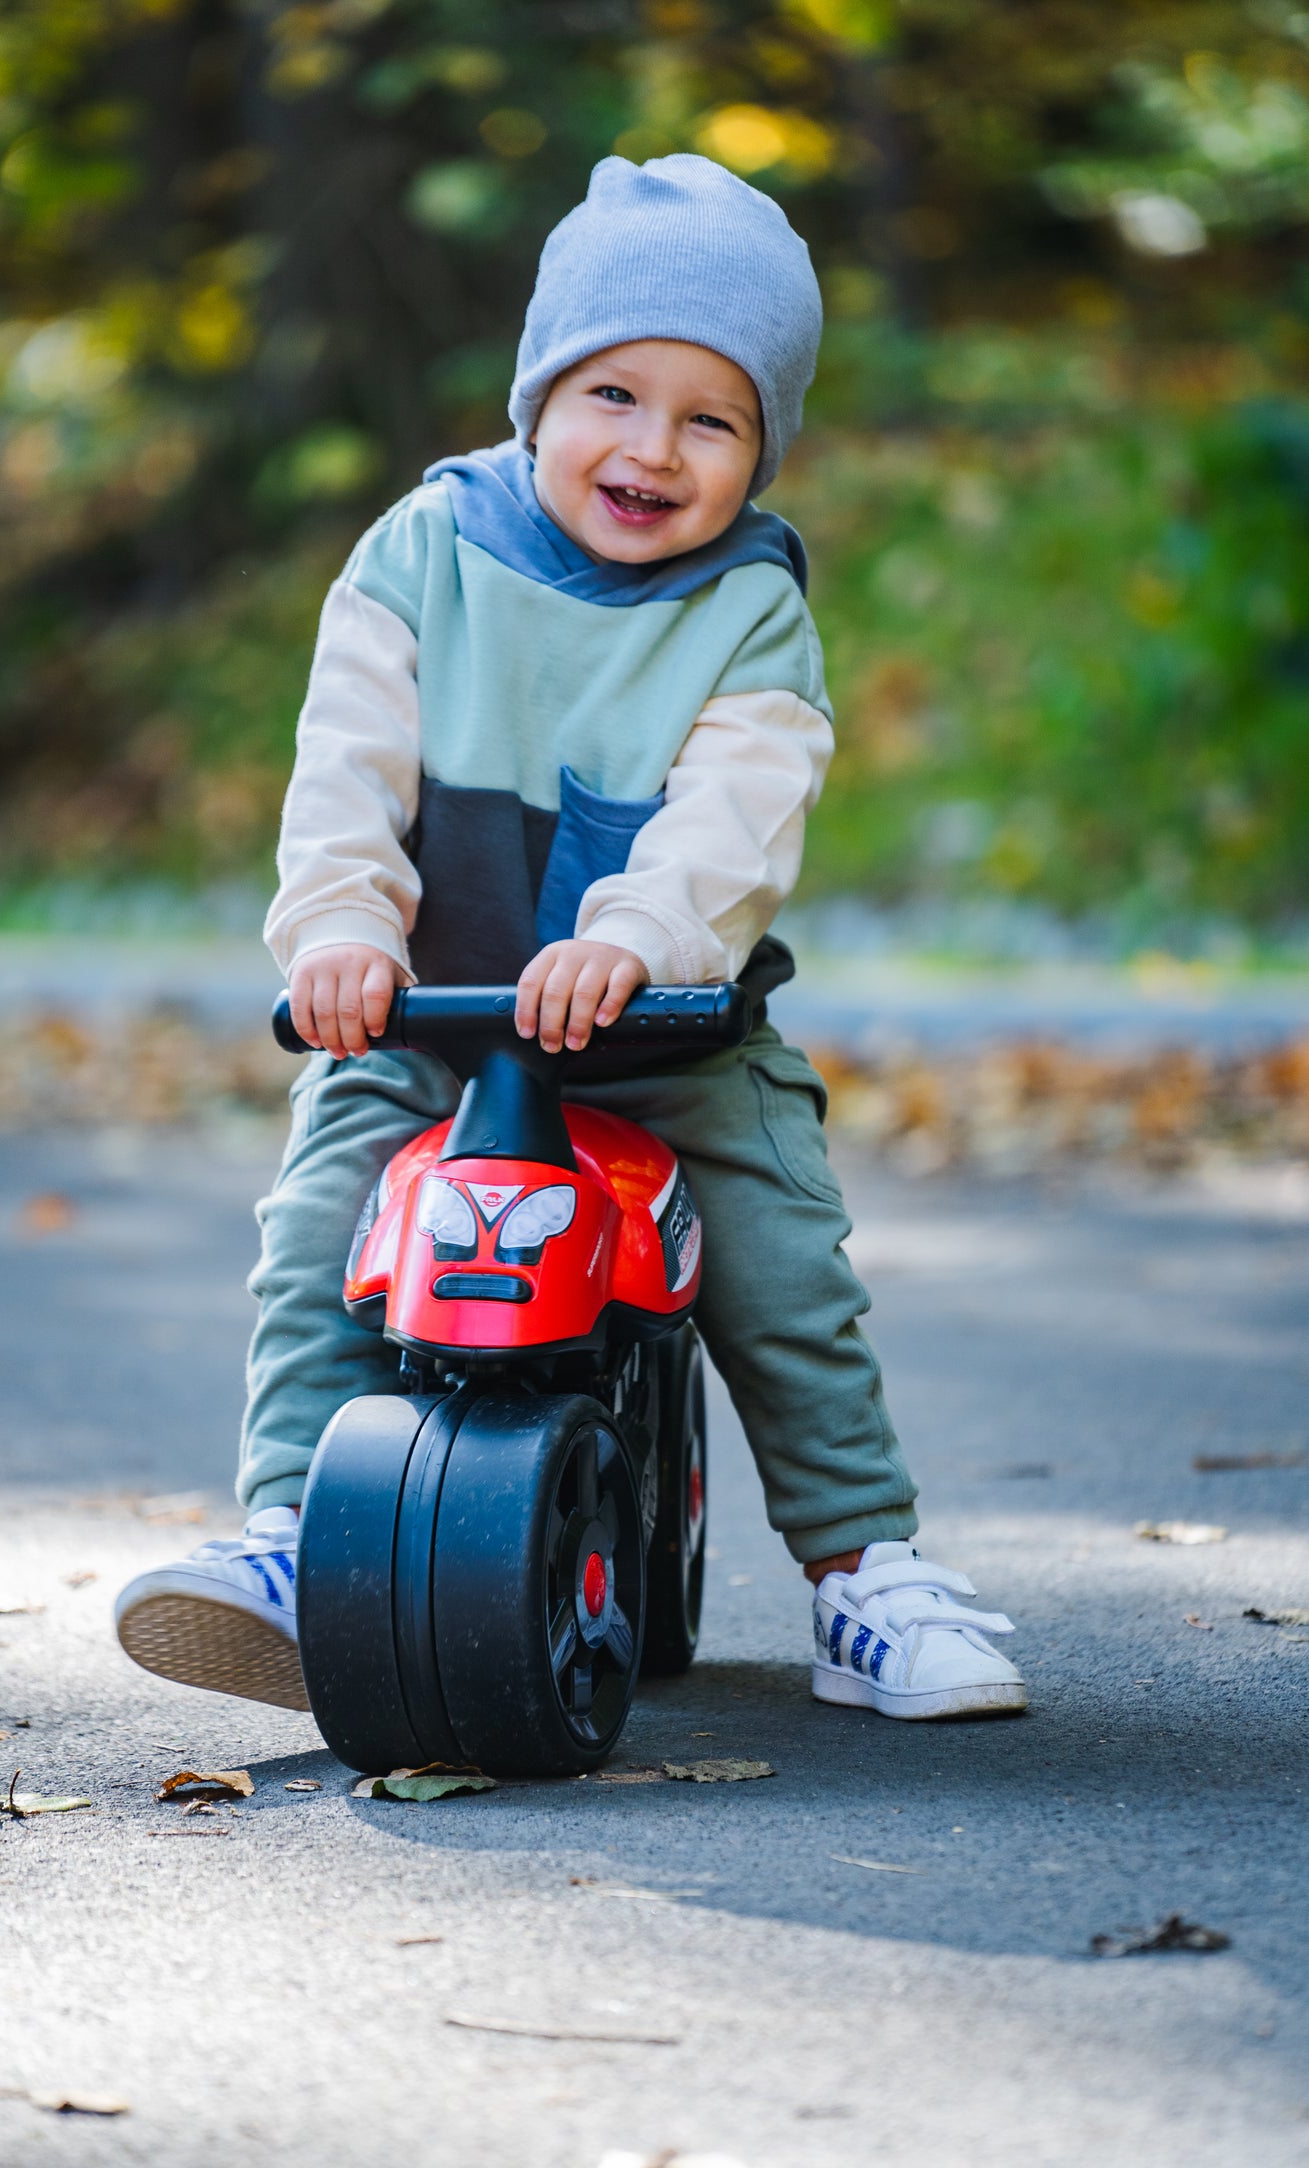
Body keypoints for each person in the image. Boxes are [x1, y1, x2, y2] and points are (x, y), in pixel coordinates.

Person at [114, 155, 1026, 1725]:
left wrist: (646, 936)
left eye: (712, 419)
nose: (653, 449)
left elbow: (732, 815)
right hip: (432, 1027)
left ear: (762, 448)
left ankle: (861, 1575)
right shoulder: (422, 555)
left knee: (780, 1262)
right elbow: (345, 767)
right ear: (538, 393)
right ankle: (287, 1531)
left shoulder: (748, 606)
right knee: (321, 1228)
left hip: (667, 1034)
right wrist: (339, 928)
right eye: (613, 392)